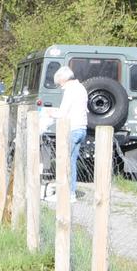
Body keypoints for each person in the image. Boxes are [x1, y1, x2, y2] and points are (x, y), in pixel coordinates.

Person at [54, 65, 89, 201]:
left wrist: (50, 113)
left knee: (64, 161)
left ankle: (65, 193)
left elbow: (63, 112)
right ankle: (71, 192)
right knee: (72, 161)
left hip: (72, 129)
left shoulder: (70, 90)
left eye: (60, 83)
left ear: (64, 79)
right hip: (82, 128)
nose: (60, 86)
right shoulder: (81, 88)